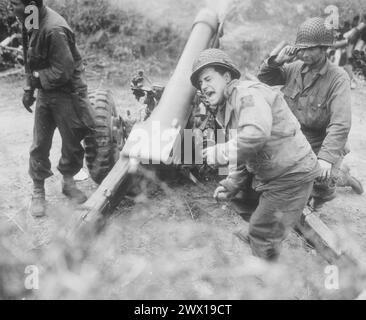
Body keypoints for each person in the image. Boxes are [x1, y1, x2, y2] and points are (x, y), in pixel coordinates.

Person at [190, 48, 320, 261]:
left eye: (207, 79)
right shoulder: (228, 104)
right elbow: (245, 153)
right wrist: (231, 184)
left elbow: (255, 135)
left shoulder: (245, 94)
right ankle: (263, 227)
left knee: (262, 231)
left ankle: (266, 267)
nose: (204, 87)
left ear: (226, 76)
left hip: (291, 174)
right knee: (240, 199)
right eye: (200, 84)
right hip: (274, 171)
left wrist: (220, 152)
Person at [258, 17, 363, 210]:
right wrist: (276, 62)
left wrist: (325, 159)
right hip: (294, 138)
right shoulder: (294, 68)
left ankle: (339, 178)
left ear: (324, 49)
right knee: (269, 170)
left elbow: (341, 124)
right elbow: (264, 80)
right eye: (301, 48)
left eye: (310, 49)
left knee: (322, 181)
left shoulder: (338, 78)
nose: (304, 54)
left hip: (320, 141)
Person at [9, 0, 96, 217]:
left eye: (15, 5)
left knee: (72, 141)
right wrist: (29, 88)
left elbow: (63, 72)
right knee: (40, 142)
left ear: (31, 5)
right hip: (47, 91)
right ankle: (38, 191)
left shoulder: (54, 29)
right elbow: (30, 57)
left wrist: (37, 78)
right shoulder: (31, 19)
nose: (13, 10)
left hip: (67, 92)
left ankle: (68, 183)